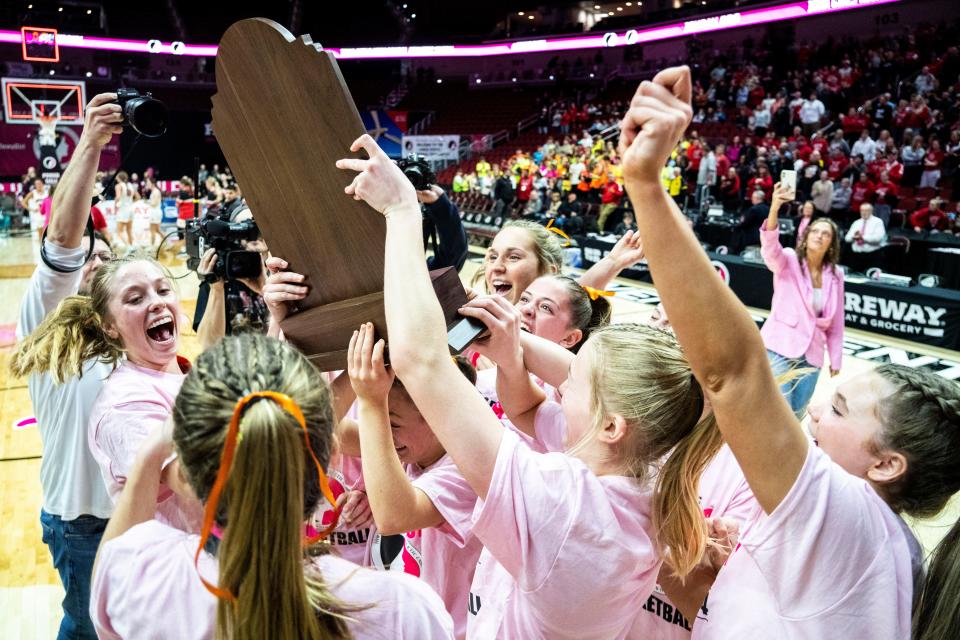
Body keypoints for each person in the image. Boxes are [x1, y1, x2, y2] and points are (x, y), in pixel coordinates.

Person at [336, 130, 722, 639]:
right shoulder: (644, 476)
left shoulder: (562, 504)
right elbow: (524, 409)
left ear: (611, 426)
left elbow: (421, 361)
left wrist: (403, 212)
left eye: (575, 379)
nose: (561, 382)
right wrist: (510, 343)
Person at [623, 65, 960, 640]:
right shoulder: (891, 549)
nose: (817, 407)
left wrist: (647, 185)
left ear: (885, 464)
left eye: (842, 409)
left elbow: (733, 374)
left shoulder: (851, 519)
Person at [89, 334, 455, 639]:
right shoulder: (401, 609)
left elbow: (111, 575)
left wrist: (149, 457)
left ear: (186, 474)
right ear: (329, 459)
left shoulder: (139, 572)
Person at [9, 92, 120, 640]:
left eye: (104, 259)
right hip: (83, 521)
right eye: (86, 258)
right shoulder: (50, 321)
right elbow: (62, 242)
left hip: (142, 512)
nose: (94, 263)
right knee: (87, 627)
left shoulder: (132, 333)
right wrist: (93, 142)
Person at [346, 327, 483, 639]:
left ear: (437, 414)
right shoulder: (410, 452)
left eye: (390, 423)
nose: (379, 435)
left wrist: (371, 403)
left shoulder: (466, 469)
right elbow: (326, 430)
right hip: (395, 622)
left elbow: (394, 516)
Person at [760, 184, 844, 416]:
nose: (820, 236)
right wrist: (775, 207)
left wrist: (835, 358)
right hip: (779, 347)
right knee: (778, 410)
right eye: (816, 231)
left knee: (796, 413)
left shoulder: (836, 275)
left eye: (826, 234)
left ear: (831, 244)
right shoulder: (788, 260)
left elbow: (837, 323)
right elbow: (769, 249)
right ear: (806, 236)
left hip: (813, 354)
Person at [844, 203, 886, 273]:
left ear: (871, 211)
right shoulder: (856, 222)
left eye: (866, 210)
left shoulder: (878, 222)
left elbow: (878, 238)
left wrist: (862, 238)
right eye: (862, 210)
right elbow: (847, 238)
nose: (864, 212)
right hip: (856, 256)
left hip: (872, 256)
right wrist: (854, 237)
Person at [113, 171, 138, 249]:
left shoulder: (118, 186)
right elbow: (138, 197)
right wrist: (129, 202)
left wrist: (115, 205)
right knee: (129, 230)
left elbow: (118, 197)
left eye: (117, 177)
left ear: (119, 178)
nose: (116, 178)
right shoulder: (130, 185)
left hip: (123, 209)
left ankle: (128, 247)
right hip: (131, 209)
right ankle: (132, 247)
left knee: (119, 232)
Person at [144, 177, 163, 249]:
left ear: (152, 183)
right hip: (155, 212)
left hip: (155, 212)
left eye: (148, 183)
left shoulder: (156, 191)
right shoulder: (154, 191)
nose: (147, 184)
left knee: (152, 230)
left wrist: (147, 202)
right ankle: (166, 242)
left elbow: (154, 203)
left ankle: (152, 246)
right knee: (157, 230)